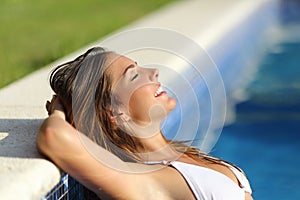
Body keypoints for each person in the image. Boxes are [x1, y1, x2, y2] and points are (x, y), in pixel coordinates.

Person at [37, 47, 253, 200]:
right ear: (115, 113)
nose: (154, 72)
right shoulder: (143, 180)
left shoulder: (177, 155)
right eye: (134, 76)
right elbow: (54, 136)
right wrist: (58, 110)